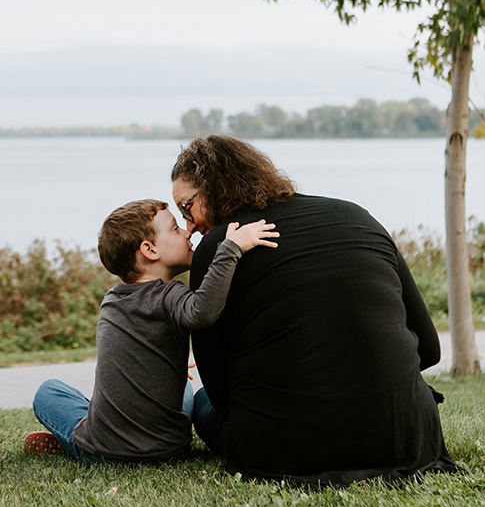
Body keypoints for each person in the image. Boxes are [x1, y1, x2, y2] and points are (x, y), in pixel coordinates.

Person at [172, 135, 459, 486]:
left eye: (187, 208)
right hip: (407, 440)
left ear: (216, 187)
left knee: (201, 401)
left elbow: (219, 391)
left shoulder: (219, 250)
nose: (189, 226)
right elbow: (429, 349)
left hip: (284, 451)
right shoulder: (356, 216)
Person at [23, 198, 278, 464]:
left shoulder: (112, 301)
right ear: (149, 250)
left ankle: (76, 442)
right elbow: (201, 311)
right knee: (193, 393)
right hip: (167, 449)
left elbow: (132, 347)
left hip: (107, 450)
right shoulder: (169, 294)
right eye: (175, 229)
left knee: (48, 392)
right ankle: (83, 436)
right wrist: (231, 248)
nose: (187, 231)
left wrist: (157, 366)